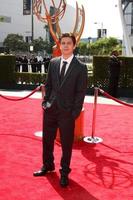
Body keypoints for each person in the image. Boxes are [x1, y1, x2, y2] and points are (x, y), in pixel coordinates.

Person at [33, 33, 88, 187]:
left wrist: (74, 113)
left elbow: (80, 93)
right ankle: (48, 165)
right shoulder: (53, 62)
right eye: (62, 43)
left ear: (74, 45)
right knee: (47, 141)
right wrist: (45, 102)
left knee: (66, 145)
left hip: (67, 113)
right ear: (60, 45)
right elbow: (48, 84)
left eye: (68, 43)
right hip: (50, 110)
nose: (65, 45)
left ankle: (64, 172)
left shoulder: (81, 67)